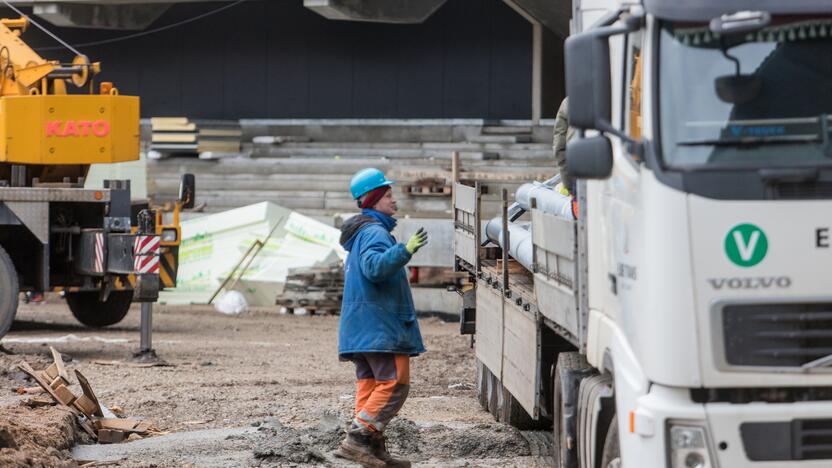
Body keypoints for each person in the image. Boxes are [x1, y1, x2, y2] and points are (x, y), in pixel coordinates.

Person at [334, 168, 429, 467]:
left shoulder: (363, 232)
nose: (394, 200)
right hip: (379, 326)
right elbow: (375, 268)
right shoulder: (374, 232)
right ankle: (358, 440)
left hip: (362, 327)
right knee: (395, 384)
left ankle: (371, 451)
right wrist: (404, 251)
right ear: (374, 199)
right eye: (388, 195)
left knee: (371, 384)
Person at [553, 97, 579, 218]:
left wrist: (569, 184)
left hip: (580, 177)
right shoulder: (625, 96)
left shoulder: (570, 102)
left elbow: (559, 147)